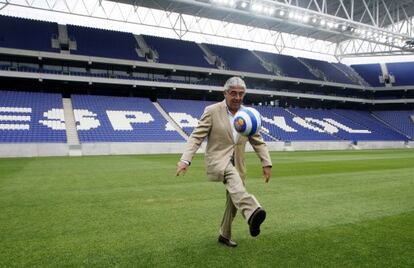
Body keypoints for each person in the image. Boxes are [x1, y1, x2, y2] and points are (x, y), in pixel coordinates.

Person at [176, 76, 272, 247]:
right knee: (237, 186)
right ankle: (252, 213)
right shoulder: (212, 111)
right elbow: (196, 136)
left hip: (239, 163)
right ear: (225, 93)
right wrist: (185, 160)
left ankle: (224, 235)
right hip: (219, 161)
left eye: (241, 94)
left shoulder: (248, 115)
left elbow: (258, 140)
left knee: (233, 200)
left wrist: (266, 163)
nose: (237, 97)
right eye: (233, 93)